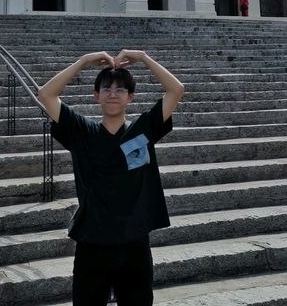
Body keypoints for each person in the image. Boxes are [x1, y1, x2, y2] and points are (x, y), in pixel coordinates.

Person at [38, 49, 184, 306]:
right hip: (92, 243)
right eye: (106, 89)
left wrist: (145, 58)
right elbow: (46, 95)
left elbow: (176, 90)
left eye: (120, 89)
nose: (113, 93)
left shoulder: (143, 130)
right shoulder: (82, 131)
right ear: (96, 96)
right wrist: (83, 61)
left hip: (134, 243)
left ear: (130, 97)